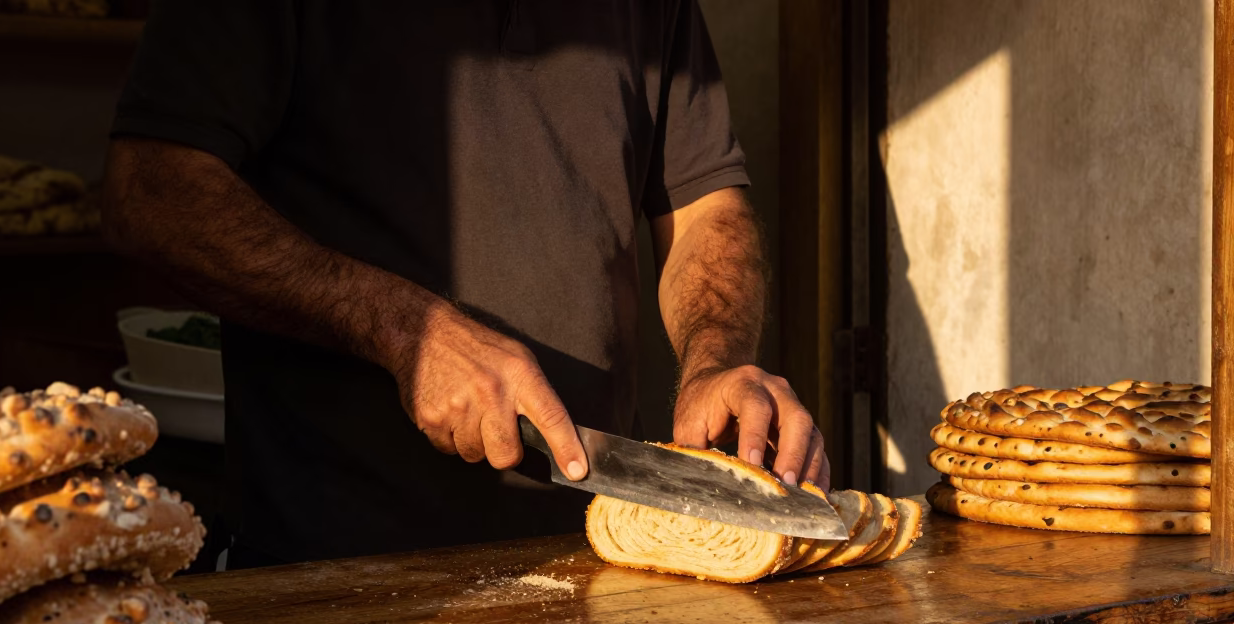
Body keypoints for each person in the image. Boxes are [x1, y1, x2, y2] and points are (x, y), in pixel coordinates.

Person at [102, 0, 829, 569]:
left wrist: (715, 360)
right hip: (334, 572)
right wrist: (403, 329)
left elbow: (705, 207)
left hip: (602, 557)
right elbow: (154, 193)